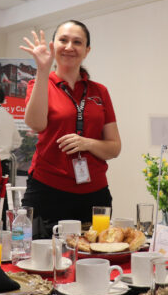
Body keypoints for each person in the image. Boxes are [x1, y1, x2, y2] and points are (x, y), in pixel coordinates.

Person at [19, 20, 121, 238]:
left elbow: (114, 148)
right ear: (53, 46)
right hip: (47, 189)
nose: (69, 47)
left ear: (86, 51)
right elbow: (36, 124)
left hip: (94, 193)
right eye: (63, 40)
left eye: (77, 42)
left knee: (94, 257)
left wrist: (87, 143)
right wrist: (42, 70)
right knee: (33, 254)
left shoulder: (99, 91)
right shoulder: (39, 83)